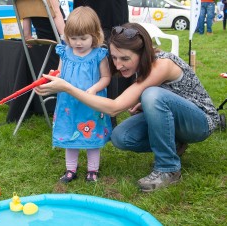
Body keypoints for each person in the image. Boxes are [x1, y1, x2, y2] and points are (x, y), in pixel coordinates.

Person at [35, 23, 220, 192]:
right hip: (179, 118)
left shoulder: (162, 64)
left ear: (143, 53)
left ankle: (168, 168)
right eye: (114, 58)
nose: (118, 64)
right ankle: (175, 144)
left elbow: (115, 108)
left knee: (151, 95)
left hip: (201, 123)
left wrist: (67, 87)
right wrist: (147, 106)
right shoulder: (144, 64)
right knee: (120, 137)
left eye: (125, 58)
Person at [51, 6, 112, 183]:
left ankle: (92, 170)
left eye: (83, 38)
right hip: (69, 104)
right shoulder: (65, 53)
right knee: (70, 134)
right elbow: (60, 74)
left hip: (91, 104)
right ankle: (71, 169)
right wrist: (53, 77)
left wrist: (94, 89)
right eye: (73, 38)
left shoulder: (98, 54)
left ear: (94, 35)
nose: (78, 42)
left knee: (91, 135)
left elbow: (106, 77)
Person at [73, 0, 130, 128]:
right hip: (95, 21)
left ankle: (109, 117)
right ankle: (93, 113)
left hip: (109, 23)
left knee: (109, 67)